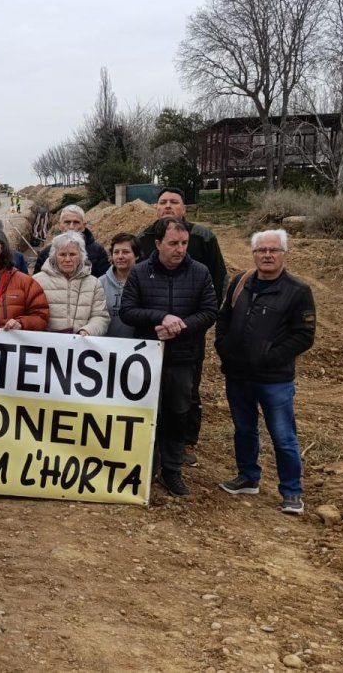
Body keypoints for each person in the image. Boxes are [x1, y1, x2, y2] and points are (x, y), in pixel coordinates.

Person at [215, 229, 316, 515]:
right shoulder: (240, 282)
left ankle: (292, 492)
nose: (267, 255)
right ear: (254, 254)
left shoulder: (298, 291)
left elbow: (304, 336)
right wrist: (223, 347)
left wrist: (270, 358)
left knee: (283, 436)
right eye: (262, 250)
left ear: (285, 253)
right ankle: (248, 477)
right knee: (244, 429)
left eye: (274, 250)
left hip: (274, 380)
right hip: (238, 374)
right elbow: (224, 318)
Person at [119, 218, 218, 498]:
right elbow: (128, 310)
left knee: (177, 414)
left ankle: (172, 471)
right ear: (158, 243)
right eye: (173, 243)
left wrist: (180, 326)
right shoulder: (139, 273)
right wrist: (159, 318)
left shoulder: (200, 273)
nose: (180, 249)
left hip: (184, 357)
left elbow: (210, 311)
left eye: (184, 243)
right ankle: (144, 469)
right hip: (146, 358)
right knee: (146, 414)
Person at [136, 187, 227, 467]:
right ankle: (149, 445)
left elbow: (218, 279)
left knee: (187, 392)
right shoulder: (144, 239)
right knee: (150, 392)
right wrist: (156, 320)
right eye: (162, 202)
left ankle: (185, 443)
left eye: (174, 201)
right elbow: (137, 292)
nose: (167, 206)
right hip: (152, 337)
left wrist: (192, 324)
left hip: (189, 337)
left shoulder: (203, 237)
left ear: (184, 208)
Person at [0, 226, 49, 331]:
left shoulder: (25, 282)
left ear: (2, 247)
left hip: (11, 346)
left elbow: (41, 316)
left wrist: (21, 323)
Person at [32, 231, 109, 336]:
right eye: (62, 254)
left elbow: (101, 316)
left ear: (81, 256)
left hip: (81, 345)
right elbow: (31, 315)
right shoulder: (37, 281)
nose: (67, 259)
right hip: (46, 346)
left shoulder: (94, 283)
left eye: (72, 254)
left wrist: (88, 330)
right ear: (54, 256)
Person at [33, 205, 108, 278]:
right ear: (59, 225)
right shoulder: (45, 254)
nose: (71, 227)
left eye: (76, 222)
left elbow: (104, 282)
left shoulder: (98, 252)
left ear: (84, 225)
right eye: (67, 222)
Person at [100, 233, 141, 338]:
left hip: (139, 348)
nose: (120, 256)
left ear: (136, 255)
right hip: (107, 348)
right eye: (116, 252)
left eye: (126, 252)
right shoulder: (100, 283)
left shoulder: (146, 282)